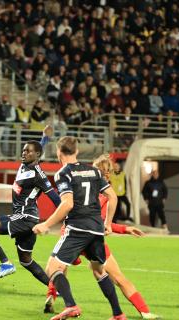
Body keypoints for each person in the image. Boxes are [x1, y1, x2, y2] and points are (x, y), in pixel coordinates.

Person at [41, 152, 160, 320]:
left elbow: (94, 219)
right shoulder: (103, 193)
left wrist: (122, 229)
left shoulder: (84, 185)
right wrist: (123, 229)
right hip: (90, 235)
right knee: (107, 274)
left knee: (58, 267)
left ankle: (55, 298)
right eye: (103, 170)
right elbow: (103, 223)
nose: (106, 173)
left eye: (107, 170)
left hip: (76, 234)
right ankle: (134, 312)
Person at [33, 136, 125, 320]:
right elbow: (113, 197)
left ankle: (71, 305)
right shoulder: (94, 171)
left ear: (59, 153)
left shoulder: (63, 173)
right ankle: (118, 314)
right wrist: (107, 223)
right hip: (96, 229)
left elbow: (66, 204)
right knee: (99, 271)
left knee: (52, 268)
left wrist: (46, 224)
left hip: (78, 228)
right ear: (77, 151)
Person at [0, 140, 61, 283]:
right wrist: (45, 137)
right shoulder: (24, 165)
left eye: (28, 151)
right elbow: (37, 146)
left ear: (37, 155)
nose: (24, 153)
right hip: (26, 219)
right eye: (23, 150)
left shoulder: (39, 175)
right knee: (26, 261)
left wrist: (69, 215)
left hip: (25, 217)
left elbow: (55, 199)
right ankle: (56, 289)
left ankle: (6, 263)